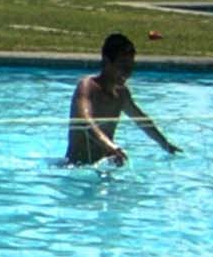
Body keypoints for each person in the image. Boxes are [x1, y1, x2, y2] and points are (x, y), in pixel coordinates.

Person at [65, 33, 181, 166]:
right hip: (75, 167)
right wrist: (111, 146)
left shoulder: (121, 93)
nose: (128, 71)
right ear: (107, 62)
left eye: (131, 65)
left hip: (102, 165)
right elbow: (84, 121)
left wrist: (165, 144)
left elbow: (141, 120)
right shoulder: (87, 86)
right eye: (122, 65)